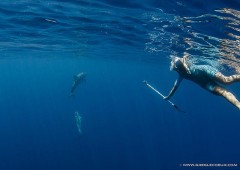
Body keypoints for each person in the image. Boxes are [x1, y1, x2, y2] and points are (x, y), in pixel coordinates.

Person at [164, 54, 240, 110]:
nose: (179, 69)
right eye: (177, 68)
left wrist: (168, 97)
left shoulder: (181, 65)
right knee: (223, 92)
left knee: (226, 80)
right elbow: (175, 87)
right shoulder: (181, 75)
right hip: (205, 83)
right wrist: (168, 97)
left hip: (205, 70)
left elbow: (183, 57)